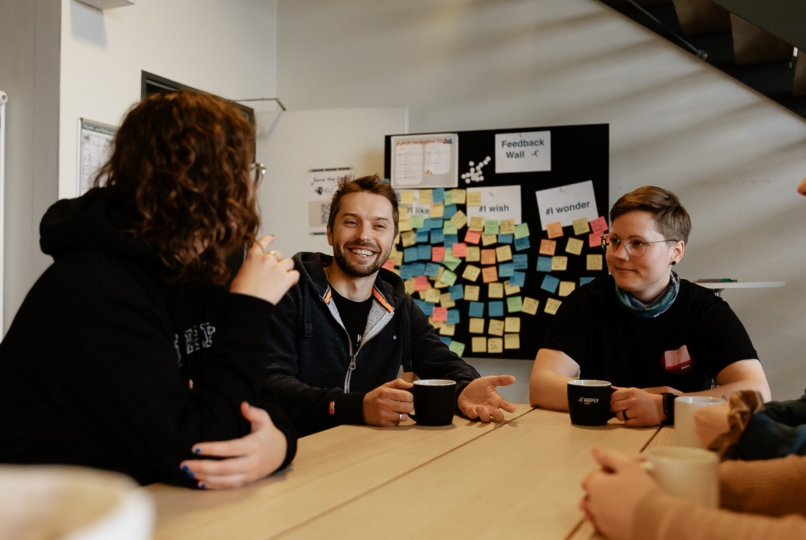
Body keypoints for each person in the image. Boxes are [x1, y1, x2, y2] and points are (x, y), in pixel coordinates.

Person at [0, 91, 300, 489]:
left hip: (128, 500)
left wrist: (277, 444)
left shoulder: (192, 270)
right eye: (244, 172)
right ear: (202, 186)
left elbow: (248, 400)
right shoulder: (94, 290)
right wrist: (248, 308)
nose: (250, 188)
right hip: (44, 517)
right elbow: (201, 450)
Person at [263, 175, 516, 436]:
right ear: (329, 231)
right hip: (290, 452)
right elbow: (270, 386)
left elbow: (441, 361)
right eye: (351, 222)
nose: (364, 236)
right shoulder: (287, 291)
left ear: (392, 240)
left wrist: (463, 386)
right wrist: (355, 407)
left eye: (379, 226)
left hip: (364, 450)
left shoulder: (398, 306)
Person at [530, 186, 770, 427]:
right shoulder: (586, 302)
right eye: (614, 241)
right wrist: (624, 400)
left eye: (637, 243)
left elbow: (758, 392)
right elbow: (541, 385)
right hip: (601, 438)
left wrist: (666, 406)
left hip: (679, 440)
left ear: (675, 251)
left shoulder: (704, 309)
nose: (619, 254)